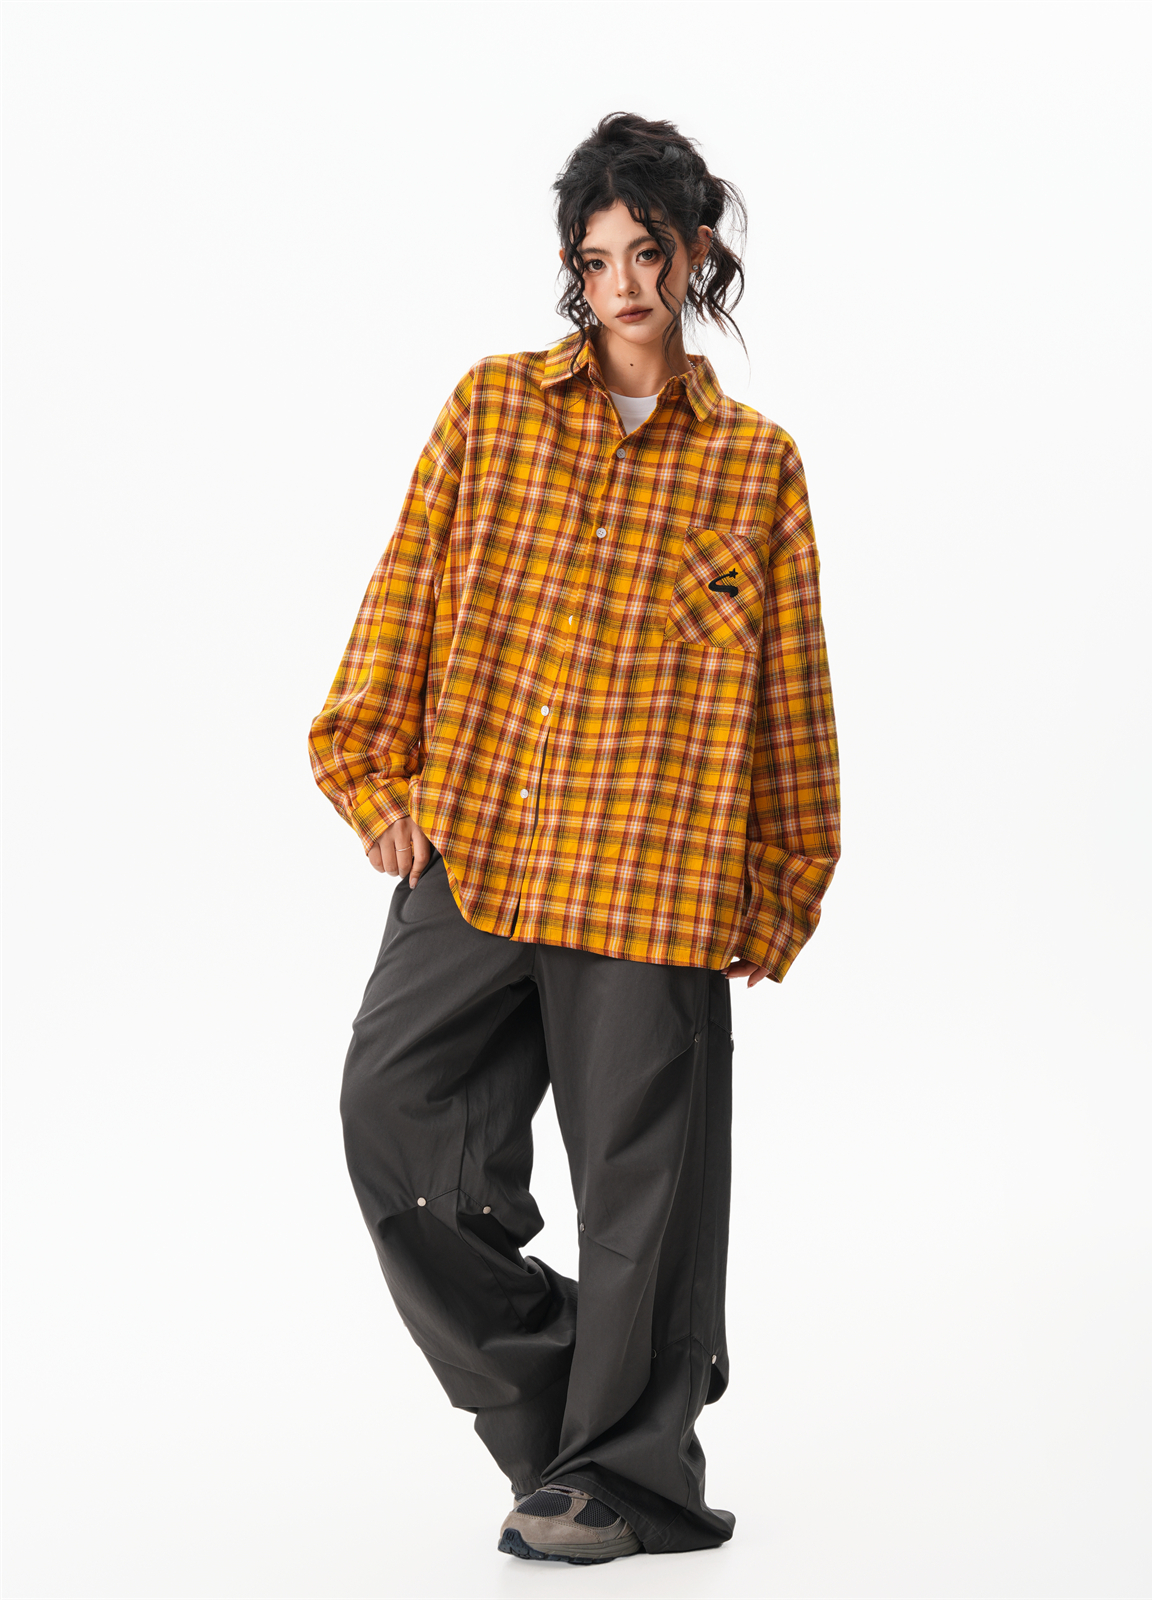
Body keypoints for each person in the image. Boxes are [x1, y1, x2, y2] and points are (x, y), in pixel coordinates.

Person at [307, 111, 840, 1566]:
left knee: (639, 1203)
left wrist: (783, 883)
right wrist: (374, 779)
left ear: (695, 253)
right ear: (570, 264)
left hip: (655, 875)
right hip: (479, 848)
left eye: (647, 254)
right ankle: (597, 1410)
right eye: (595, 259)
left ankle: (621, 1473)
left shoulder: (756, 466)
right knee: (391, 1117)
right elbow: (405, 598)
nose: (621, 285)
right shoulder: (490, 410)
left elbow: (792, 690)